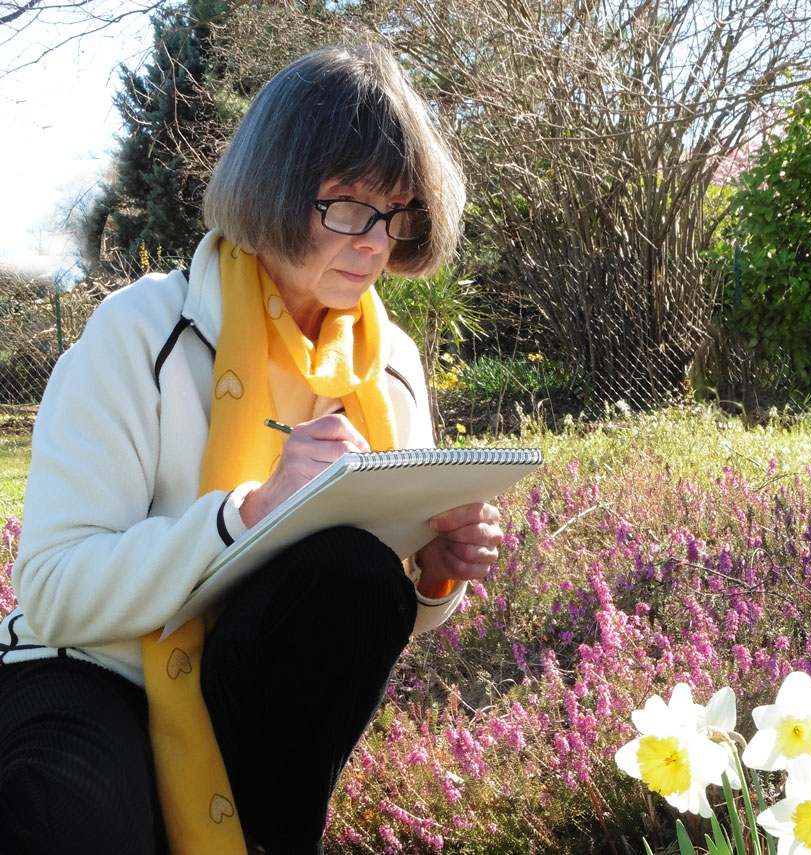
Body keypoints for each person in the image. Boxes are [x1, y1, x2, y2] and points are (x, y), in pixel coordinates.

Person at [0, 43, 502, 855]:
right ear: (271, 186)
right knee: (75, 813)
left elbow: (358, 612)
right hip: (90, 666)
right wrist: (248, 514)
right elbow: (53, 591)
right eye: (345, 206)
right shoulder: (137, 333)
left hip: (236, 674)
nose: (375, 242)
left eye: (397, 212)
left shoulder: (393, 366)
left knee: (355, 574)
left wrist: (438, 568)